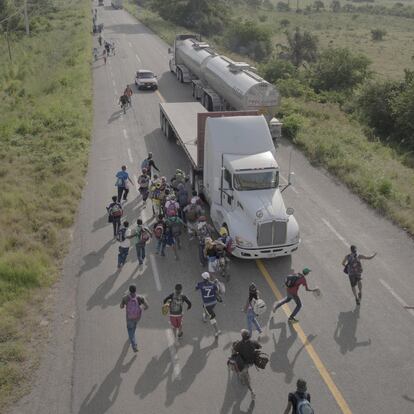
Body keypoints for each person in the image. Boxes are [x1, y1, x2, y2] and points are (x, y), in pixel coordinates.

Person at [231, 329, 262, 400]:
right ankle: (245, 377)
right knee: (246, 371)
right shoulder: (253, 342)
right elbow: (259, 346)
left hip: (243, 364)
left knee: (245, 377)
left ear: (242, 337)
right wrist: (258, 341)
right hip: (251, 362)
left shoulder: (239, 344)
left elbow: (234, 352)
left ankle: (252, 391)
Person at [120, 284, 148, 352]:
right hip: (137, 317)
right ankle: (132, 336)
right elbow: (147, 306)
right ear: (135, 290)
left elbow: (121, 307)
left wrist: (124, 303)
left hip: (129, 318)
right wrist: (140, 308)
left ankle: (134, 345)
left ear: (129, 290)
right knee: (134, 326)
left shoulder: (125, 298)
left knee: (130, 330)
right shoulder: (140, 297)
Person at [195, 272, 221, 337]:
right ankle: (205, 316)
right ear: (209, 277)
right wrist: (216, 283)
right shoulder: (213, 284)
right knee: (206, 308)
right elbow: (217, 291)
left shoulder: (200, 284)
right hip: (214, 302)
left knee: (212, 318)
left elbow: (195, 288)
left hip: (207, 303)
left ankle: (217, 331)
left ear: (203, 279)